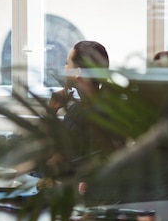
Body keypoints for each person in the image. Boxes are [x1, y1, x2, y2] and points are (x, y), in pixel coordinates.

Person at [46, 40, 126, 173]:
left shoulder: (96, 114)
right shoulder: (79, 108)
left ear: (77, 72)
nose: (64, 68)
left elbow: (58, 159)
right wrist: (52, 110)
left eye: (67, 64)